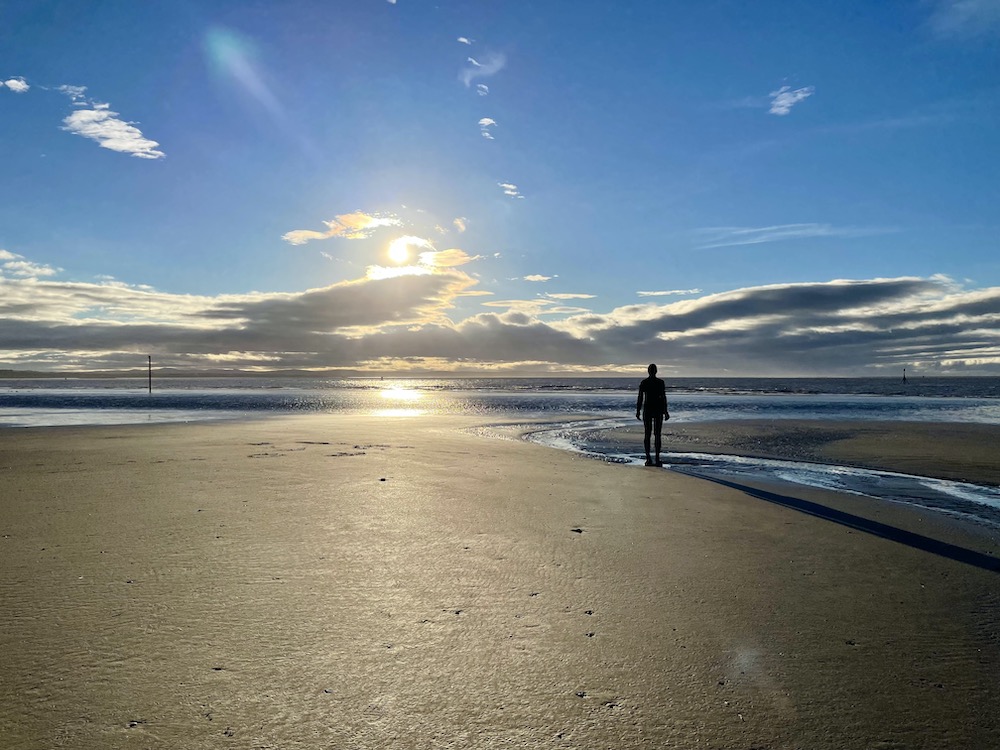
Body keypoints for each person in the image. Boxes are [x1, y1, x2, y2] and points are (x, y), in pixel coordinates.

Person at [636, 363, 669, 466]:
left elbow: (640, 398)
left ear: (648, 371)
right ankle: (657, 459)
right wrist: (665, 411)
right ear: (656, 371)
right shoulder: (660, 383)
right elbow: (663, 397)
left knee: (648, 434)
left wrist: (638, 410)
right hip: (658, 409)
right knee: (657, 434)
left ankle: (648, 459)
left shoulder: (644, 382)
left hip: (648, 409)